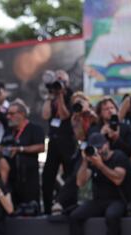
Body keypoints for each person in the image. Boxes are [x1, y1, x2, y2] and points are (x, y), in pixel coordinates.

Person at [69, 133, 131, 235]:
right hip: (99, 200)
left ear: (107, 144)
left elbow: (118, 180)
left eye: (100, 147)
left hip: (118, 199)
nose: (98, 151)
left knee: (112, 216)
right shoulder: (93, 161)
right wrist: (85, 161)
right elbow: (80, 182)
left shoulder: (118, 156)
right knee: (75, 216)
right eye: (95, 148)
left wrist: (101, 166)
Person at [42, 70, 76, 214]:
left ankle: (70, 205)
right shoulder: (51, 95)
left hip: (67, 140)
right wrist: (51, 97)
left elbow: (64, 115)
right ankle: (47, 207)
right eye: (57, 79)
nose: (59, 82)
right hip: (53, 141)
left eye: (62, 80)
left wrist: (61, 95)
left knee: (70, 174)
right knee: (47, 175)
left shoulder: (71, 96)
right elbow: (45, 115)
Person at [3, 99, 44, 207]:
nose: (8, 117)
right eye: (7, 114)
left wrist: (20, 149)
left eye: (11, 114)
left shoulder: (35, 128)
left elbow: (41, 147)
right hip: (13, 177)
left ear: (21, 114)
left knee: (31, 207)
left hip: (29, 177)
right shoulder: (9, 131)